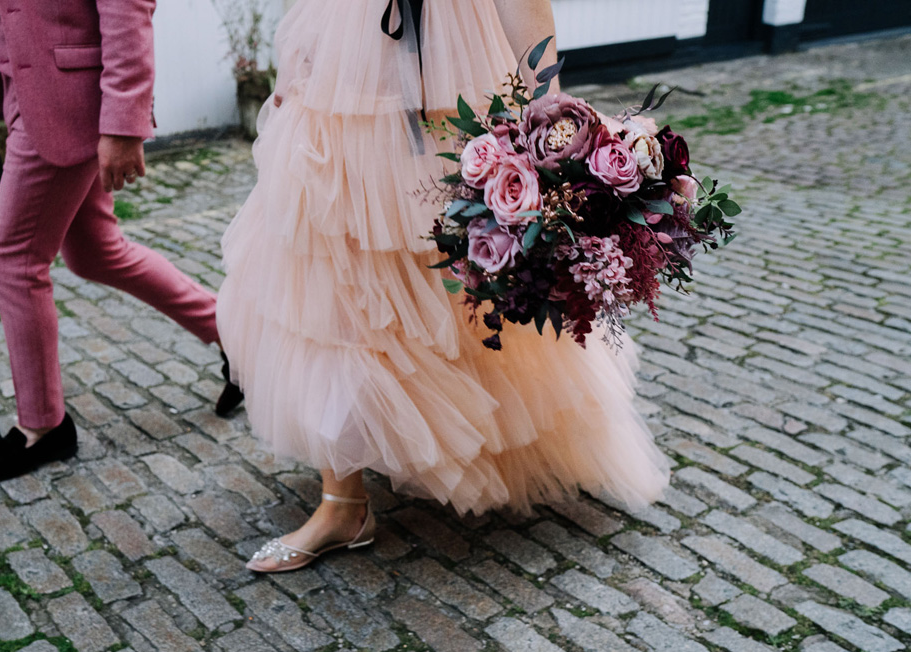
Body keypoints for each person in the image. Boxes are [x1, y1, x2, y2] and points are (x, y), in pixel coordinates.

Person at [216, 0, 670, 573]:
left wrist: (547, 102)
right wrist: (298, 63)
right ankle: (342, 502)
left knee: (458, 270)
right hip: (341, 77)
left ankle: (467, 441)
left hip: (454, 67)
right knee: (331, 272)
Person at [0, 0, 241, 488]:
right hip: (25, 91)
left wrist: (123, 123)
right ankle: (239, 339)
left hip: (72, 99)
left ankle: (41, 426)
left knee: (10, 257)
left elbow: (126, 10)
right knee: (96, 251)